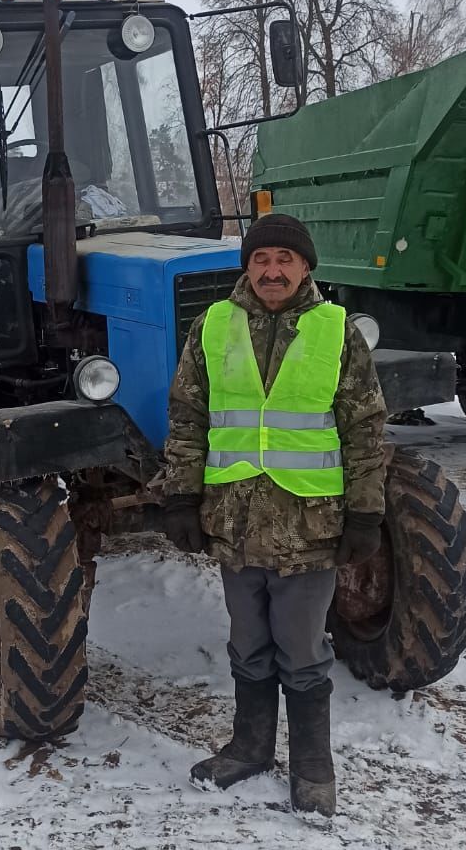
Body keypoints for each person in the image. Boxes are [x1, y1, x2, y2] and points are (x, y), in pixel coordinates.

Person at [161, 213, 387, 816]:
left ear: (306, 267)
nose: (273, 270)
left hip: (308, 525)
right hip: (234, 521)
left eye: (285, 259)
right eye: (262, 259)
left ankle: (313, 765)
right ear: (248, 266)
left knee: (302, 647)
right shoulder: (212, 326)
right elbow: (188, 419)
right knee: (248, 641)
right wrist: (181, 497)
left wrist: (366, 514)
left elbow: (363, 430)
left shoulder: (336, 331)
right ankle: (250, 747)